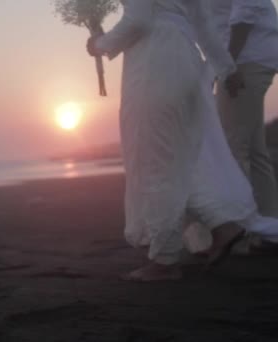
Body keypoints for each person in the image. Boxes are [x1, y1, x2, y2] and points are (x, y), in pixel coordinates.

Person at [86, 0, 278, 281]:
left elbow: (138, 20)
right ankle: (222, 225)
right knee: (183, 159)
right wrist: (226, 69)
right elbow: (205, 28)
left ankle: (165, 259)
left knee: (156, 158)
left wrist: (100, 44)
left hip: (155, 64)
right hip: (186, 63)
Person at [211, 0, 278, 218]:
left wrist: (228, 66)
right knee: (253, 150)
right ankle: (270, 226)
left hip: (243, 61)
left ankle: (239, 229)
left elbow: (245, 13)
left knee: (233, 149)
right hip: (245, 59)